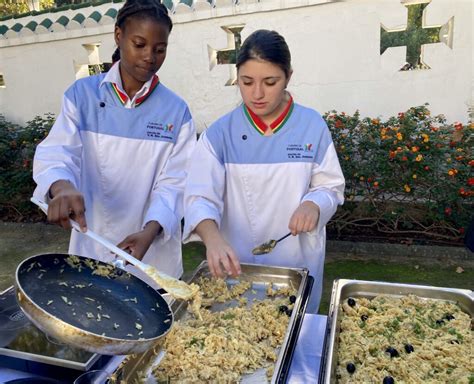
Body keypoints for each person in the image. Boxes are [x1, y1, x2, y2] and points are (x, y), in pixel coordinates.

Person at [33, 0, 196, 285]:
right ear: (118, 36)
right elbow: (59, 152)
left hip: (154, 255)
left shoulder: (176, 111)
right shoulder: (81, 96)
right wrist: (62, 186)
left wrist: (151, 229)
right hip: (92, 245)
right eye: (139, 44)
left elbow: (176, 183)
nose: (150, 57)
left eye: (160, 49)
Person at [183, 29, 345, 313]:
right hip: (237, 267)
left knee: (295, 334)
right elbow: (198, 198)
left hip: (298, 262)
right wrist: (212, 239)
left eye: (270, 82)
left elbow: (330, 186)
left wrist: (313, 204)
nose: (257, 94)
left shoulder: (311, 126)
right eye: (247, 82)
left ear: (288, 77)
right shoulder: (219, 135)